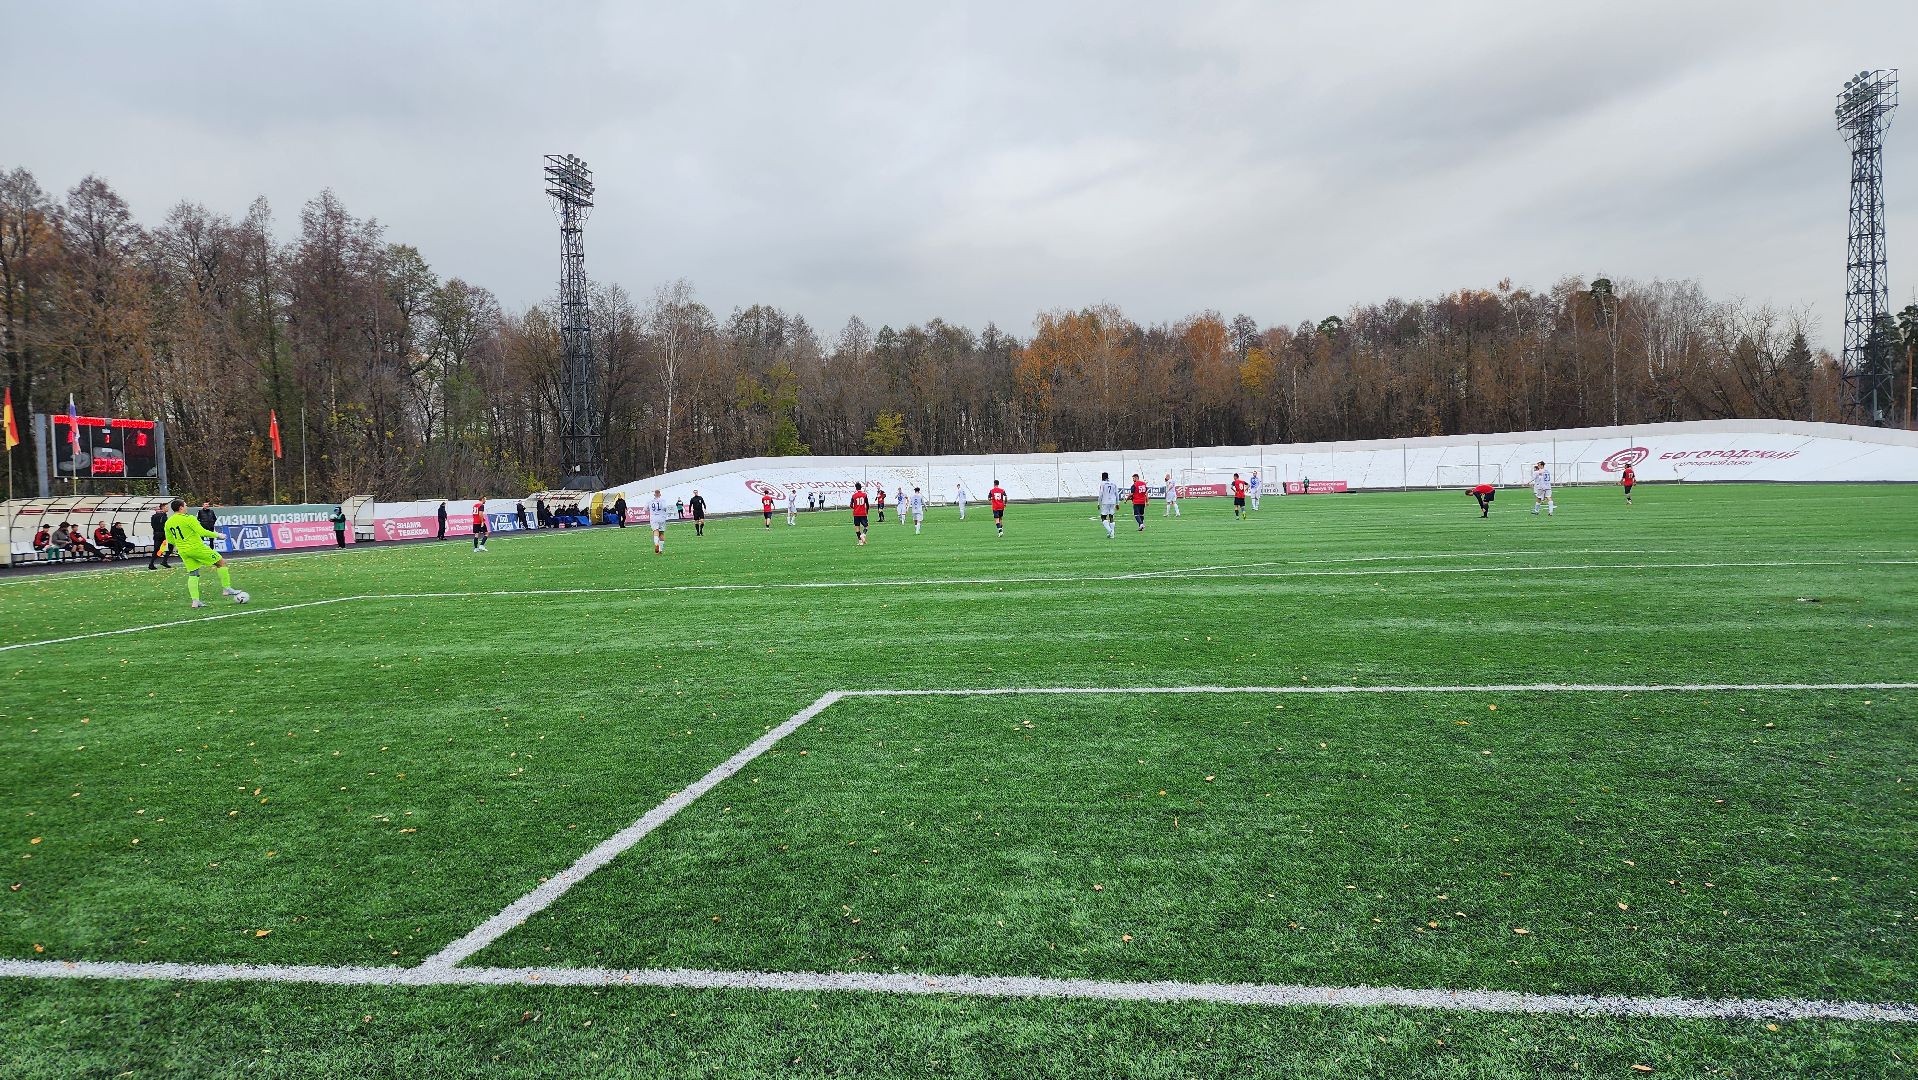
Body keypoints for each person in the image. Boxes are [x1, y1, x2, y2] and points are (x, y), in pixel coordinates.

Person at [162, 498, 241, 608]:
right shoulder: (189, 518)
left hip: (183, 551)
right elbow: (202, 531)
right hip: (196, 548)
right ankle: (227, 588)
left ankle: (195, 601)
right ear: (180, 508)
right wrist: (218, 535)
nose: (186, 507)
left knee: (193, 573)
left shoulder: (168, 522)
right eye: (185, 505)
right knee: (221, 562)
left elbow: (170, 540)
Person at [647, 488, 671, 554]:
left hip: (654, 518)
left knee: (655, 531)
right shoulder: (663, 500)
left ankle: (656, 543)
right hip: (662, 518)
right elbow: (665, 508)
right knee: (662, 533)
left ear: (654, 494)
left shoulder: (650, 501)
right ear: (660, 494)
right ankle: (660, 549)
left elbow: (645, 509)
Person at [1097, 472, 1119, 539]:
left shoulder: (1102, 484)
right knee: (1111, 516)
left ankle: (1109, 530)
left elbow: (1101, 494)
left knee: (1103, 517)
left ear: (1102, 477)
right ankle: (1112, 534)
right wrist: (1117, 503)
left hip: (1105, 501)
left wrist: (1098, 503)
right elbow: (1116, 494)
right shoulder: (1113, 483)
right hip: (1113, 501)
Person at [850, 482, 871, 546]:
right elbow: (867, 504)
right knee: (866, 526)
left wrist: (855, 507)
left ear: (856, 488)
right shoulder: (864, 495)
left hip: (856, 513)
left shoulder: (853, 495)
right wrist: (866, 510)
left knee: (857, 527)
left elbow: (851, 505)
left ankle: (860, 541)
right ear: (861, 487)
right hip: (863, 513)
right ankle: (863, 535)